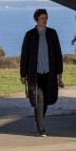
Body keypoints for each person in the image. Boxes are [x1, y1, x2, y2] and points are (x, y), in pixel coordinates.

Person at [20, 8, 64, 136]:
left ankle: (39, 122)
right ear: (37, 20)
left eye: (46, 17)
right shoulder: (30, 35)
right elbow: (25, 55)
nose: (45, 20)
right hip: (35, 74)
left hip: (49, 73)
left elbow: (58, 53)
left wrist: (59, 71)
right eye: (42, 18)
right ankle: (41, 128)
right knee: (39, 99)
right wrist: (23, 74)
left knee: (45, 101)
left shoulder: (52, 33)